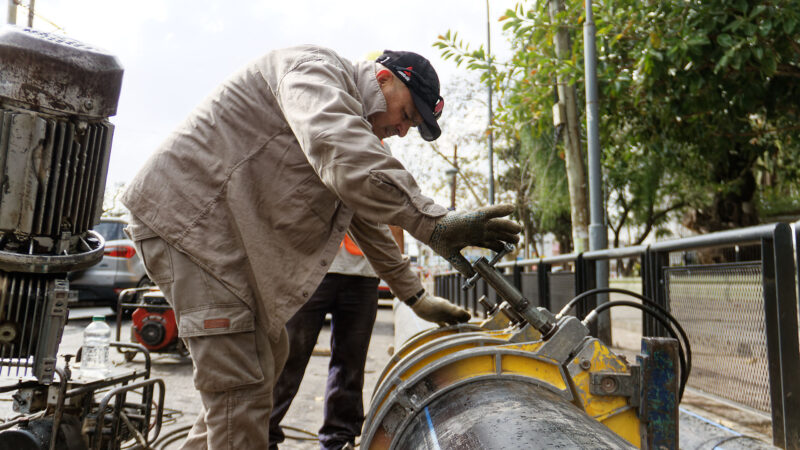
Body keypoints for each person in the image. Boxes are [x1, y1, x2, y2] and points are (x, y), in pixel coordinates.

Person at [121, 46, 521, 449]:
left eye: (412, 125)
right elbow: (343, 153)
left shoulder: (349, 122)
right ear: (384, 78)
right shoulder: (315, 73)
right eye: (407, 115)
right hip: (192, 230)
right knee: (241, 386)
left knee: (259, 371)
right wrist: (434, 221)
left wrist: (414, 296)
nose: (403, 130)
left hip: (217, 244)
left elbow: (364, 218)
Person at [269, 234, 385, 450]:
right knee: (285, 361)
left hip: (364, 272)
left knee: (350, 367)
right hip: (308, 267)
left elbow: (393, 217)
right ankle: (262, 437)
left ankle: (338, 441)